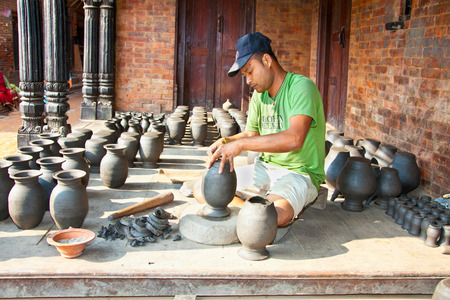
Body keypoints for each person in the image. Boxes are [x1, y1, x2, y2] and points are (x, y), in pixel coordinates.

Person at [193, 32, 326, 227]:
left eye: (249, 71)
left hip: (298, 173)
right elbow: (251, 134)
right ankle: (254, 212)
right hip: (264, 169)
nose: (247, 80)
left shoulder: (301, 87)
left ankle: (253, 213)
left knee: (278, 215)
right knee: (202, 188)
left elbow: (294, 138)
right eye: (244, 75)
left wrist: (241, 145)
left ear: (266, 60)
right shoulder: (259, 95)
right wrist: (225, 142)